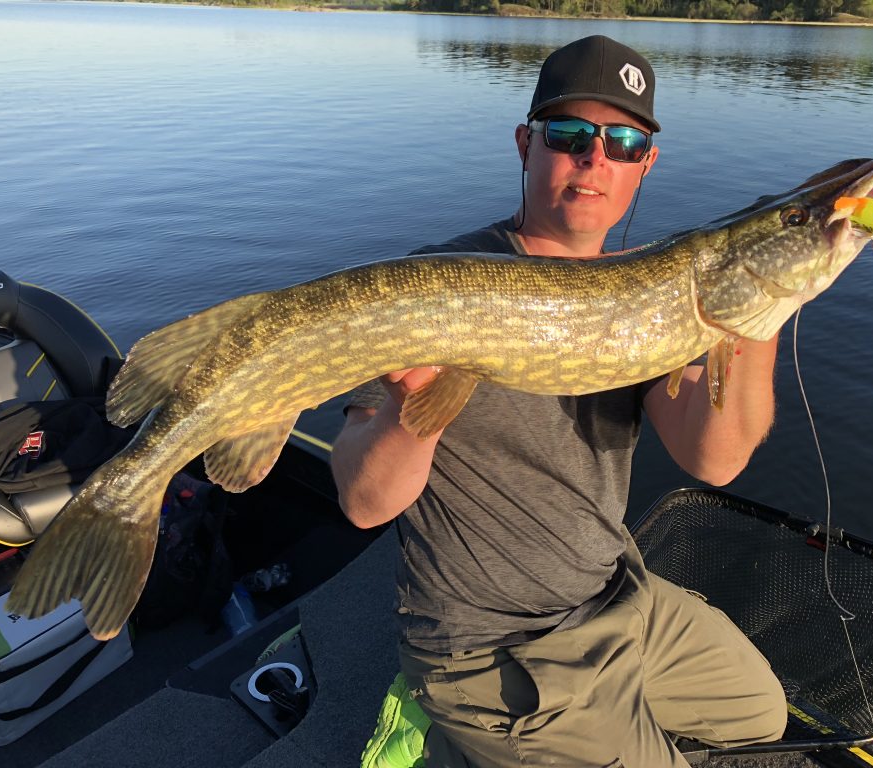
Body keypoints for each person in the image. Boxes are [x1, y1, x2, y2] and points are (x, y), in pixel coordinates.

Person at [332, 35, 787, 768]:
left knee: (763, 716)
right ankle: (445, 717)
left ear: (646, 164)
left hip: (615, 597)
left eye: (625, 142)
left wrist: (761, 311)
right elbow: (362, 501)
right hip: (489, 649)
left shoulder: (649, 299)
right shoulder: (428, 284)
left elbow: (718, 458)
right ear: (526, 144)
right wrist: (404, 413)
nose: (595, 159)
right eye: (571, 135)